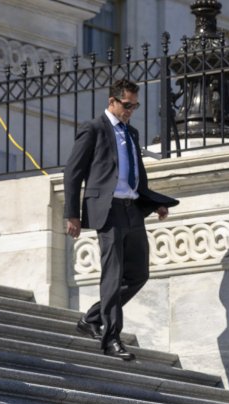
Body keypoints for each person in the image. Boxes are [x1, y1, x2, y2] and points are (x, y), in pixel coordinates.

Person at [63, 79, 178, 361]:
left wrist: (155, 203)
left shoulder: (132, 133)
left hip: (132, 209)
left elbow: (136, 176)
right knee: (112, 275)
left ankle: (91, 318)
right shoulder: (93, 129)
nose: (130, 111)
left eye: (134, 106)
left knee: (139, 274)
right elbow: (72, 173)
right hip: (108, 210)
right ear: (112, 101)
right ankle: (110, 337)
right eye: (127, 105)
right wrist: (72, 214)